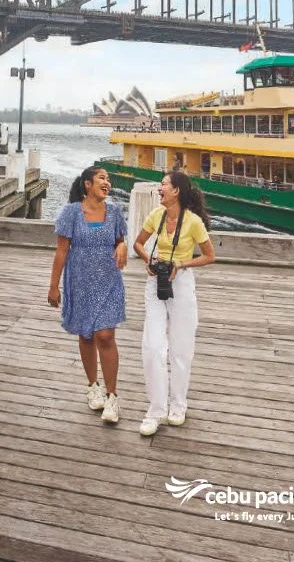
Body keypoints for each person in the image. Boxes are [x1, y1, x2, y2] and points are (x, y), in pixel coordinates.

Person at [133, 171, 216, 436]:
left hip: (181, 283)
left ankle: (178, 404)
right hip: (156, 281)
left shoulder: (192, 222)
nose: (160, 189)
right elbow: (137, 244)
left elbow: (209, 256)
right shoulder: (155, 216)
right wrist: (149, 260)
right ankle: (156, 409)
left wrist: (181, 265)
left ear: (177, 190)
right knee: (153, 346)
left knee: (181, 349)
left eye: (164, 185)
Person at [48, 166, 128, 424]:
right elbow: (61, 252)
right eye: (102, 178)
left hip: (108, 280)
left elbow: (120, 240)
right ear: (87, 184)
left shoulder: (115, 212)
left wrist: (123, 245)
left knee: (105, 335)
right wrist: (53, 286)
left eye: (108, 179)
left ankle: (112, 397)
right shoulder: (71, 213)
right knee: (86, 334)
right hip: (80, 281)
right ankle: (93, 385)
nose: (107, 182)